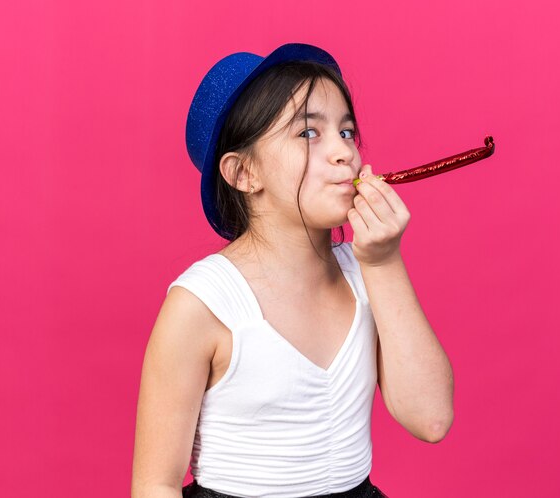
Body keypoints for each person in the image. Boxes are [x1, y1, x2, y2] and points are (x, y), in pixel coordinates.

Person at [132, 42, 454, 498]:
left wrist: (384, 261)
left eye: (346, 132)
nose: (344, 153)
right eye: (308, 134)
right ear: (244, 173)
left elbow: (432, 417)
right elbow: (154, 485)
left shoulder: (367, 273)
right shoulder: (201, 305)